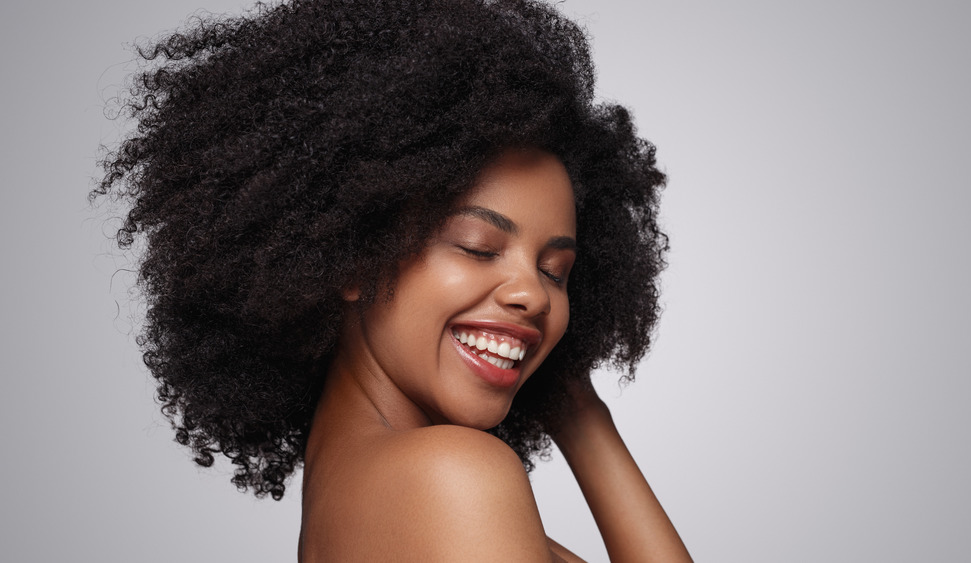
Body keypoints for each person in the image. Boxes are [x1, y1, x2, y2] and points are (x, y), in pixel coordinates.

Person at [94, 0, 692, 560]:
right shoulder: (453, 478)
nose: (532, 295)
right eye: (478, 247)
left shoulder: (363, 496)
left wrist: (581, 415)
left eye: (554, 271)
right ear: (356, 255)